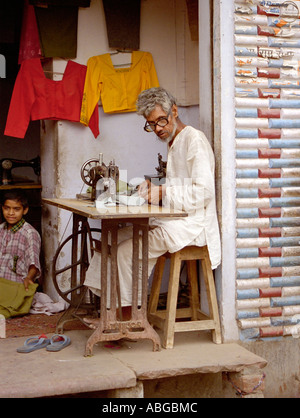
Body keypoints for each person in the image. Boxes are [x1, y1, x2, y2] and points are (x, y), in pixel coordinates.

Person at [84, 87, 221, 326]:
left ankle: (128, 321)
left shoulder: (193, 140)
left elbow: (204, 192)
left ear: (175, 111)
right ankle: (109, 310)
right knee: (111, 239)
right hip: (175, 219)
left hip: (192, 225)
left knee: (127, 252)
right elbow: (180, 184)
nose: (157, 128)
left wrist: (164, 191)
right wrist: (153, 187)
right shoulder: (174, 142)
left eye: (161, 120)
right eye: (151, 124)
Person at [0, 189, 41, 319]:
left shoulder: (29, 233)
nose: (11, 213)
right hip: (1, 280)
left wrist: (29, 277)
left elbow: (33, 260)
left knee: (10, 308)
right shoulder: (1, 229)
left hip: (16, 284)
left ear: (25, 210)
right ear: (2, 208)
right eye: (7, 208)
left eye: (16, 209)